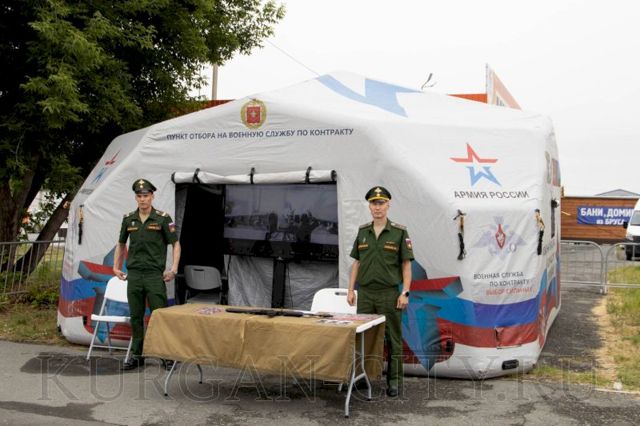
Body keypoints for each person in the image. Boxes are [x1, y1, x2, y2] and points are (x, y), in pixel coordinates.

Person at [347, 186, 413, 397]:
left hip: (389, 294)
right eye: (374, 203)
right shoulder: (363, 231)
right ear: (369, 206)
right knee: (363, 338)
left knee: (393, 338)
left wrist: (405, 292)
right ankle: (361, 378)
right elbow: (357, 263)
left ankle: (394, 382)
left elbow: (406, 265)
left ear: (388, 205)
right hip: (366, 294)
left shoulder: (399, 232)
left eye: (381, 203)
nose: (377, 207)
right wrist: (351, 290)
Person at [113, 179, 181, 370]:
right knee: (136, 317)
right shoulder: (129, 219)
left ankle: (165, 355)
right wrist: (115, 267)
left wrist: (174, 269)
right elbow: (121, 244)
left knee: (159, 316)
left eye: (145, 195)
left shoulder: (162, 218)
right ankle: (137, 355)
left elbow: (175, 244)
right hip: (134, 275)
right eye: (139, 196)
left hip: (153, 275)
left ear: (152, 196)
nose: (142, 199)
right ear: (136, 198)